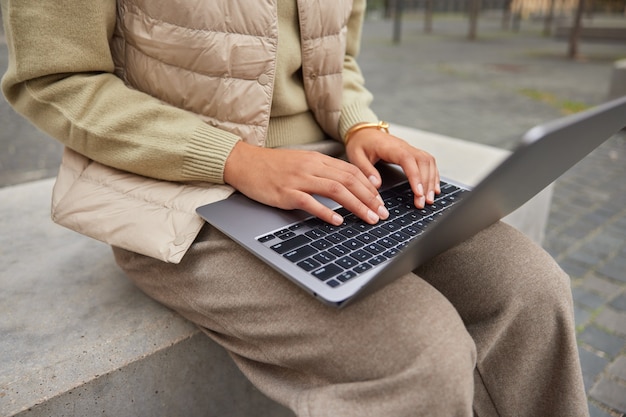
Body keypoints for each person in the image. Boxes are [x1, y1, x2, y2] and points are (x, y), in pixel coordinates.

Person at [1, 1, 589, 416]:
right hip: (181, 186)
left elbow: (339, 64)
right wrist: (236, 159)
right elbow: (55, 78)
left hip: (337, 169)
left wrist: (361, 124)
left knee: (534, 291)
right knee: (421, 354)